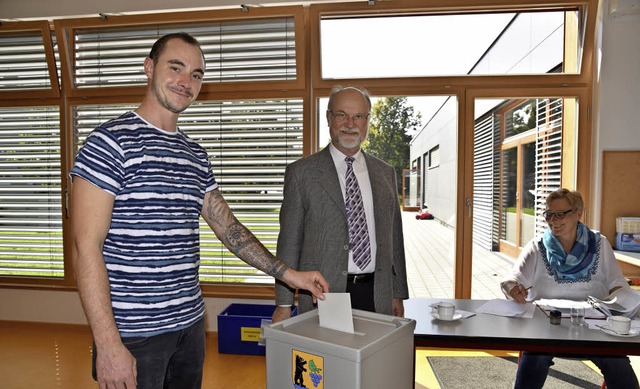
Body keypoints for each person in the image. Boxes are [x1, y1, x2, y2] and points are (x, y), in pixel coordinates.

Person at [69, 32, 328, 389]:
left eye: (196, 74)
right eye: (175, 68)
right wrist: (108, 343)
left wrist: (288, 274)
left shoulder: (194, 155)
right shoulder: (109, 143)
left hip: (189, 327)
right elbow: (86, 248)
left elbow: (227, 227)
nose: (186, 82)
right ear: (149, 68)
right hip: (133, 334)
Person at [272, 85, 408, 323]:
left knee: (373, 359)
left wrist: (398, 293)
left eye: (358, 116)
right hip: (323, 294)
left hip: (377, 293)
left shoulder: (386, 173)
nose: (350, 123)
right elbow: (289, 242)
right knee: (325, 360)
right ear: (328, 118)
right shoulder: (300, 173)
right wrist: (284, 303)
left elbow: (395, 239)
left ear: (367, 121)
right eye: (341, 115)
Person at [501, 188, 639, 389]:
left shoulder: (599, 244)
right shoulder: (537, 247)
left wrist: (624, 300)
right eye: (549, 214)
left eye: (560, 214)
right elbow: (511, 279)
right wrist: (512, 288)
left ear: (578, 213)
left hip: (595, 330)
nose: (552, 220)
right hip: (547, 330)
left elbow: (617, 283)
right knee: (534, 361)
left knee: (620, 370)